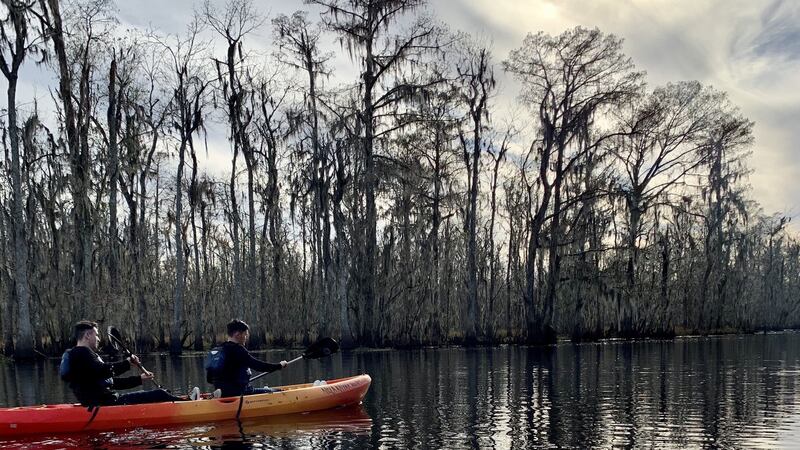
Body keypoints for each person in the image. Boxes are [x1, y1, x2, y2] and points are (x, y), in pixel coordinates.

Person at [60, 320, 199, 406]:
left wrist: (139, 379)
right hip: (107, 404)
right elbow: (105, 370)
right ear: (87, 335)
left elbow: (112, 381)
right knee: (159, 394)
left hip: (99, 402)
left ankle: (183, 399)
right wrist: (127, 363)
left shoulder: (77, 355)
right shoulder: (83, 353)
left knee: (160, 394)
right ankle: (191, 405)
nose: (98, 339)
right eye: (96, 335)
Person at [205, 319, 288, 397]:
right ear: (237, 334)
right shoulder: (238, 350)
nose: (246, 338)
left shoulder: (218, 349)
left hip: (222, 391)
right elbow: (258, 365)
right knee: (279, 392)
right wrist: (279, 366)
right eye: (245, 335)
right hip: (241, 393)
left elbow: (209, 379)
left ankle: (217, 395)